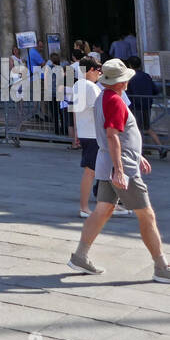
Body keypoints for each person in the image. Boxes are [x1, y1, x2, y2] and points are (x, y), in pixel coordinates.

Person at [68, 59, 170, 280]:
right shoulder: (113, 100)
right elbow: (113, 136)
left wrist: (137, 153)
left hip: (109, 163)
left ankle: (80, 256)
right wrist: (121, 169)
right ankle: (161, 267)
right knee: (147, 215)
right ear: (121, 81)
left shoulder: (104, 96)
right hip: (121, 166)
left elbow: (116, 136)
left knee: (103, 210)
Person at [70, 55, 103, 218]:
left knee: (102, 170)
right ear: (90, 70)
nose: (100, 73)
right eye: (98, 70)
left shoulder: (77, 85)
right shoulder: (91, 87)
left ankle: (110, 203)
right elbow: (100, 110)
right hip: (94, 134)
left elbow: (75, 112)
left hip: (86, 132)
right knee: (91, 171)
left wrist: (76, 132)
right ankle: (84, 207)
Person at [125, 56, 167, 159]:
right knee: (147, 127)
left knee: (136, 129)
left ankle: (139, 150)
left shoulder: (129, 77)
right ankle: (160, 147)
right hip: (146, 105)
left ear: (130, 65)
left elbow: (127, 92)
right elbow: (156, 90)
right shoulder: (146, 75)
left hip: (135, 106)